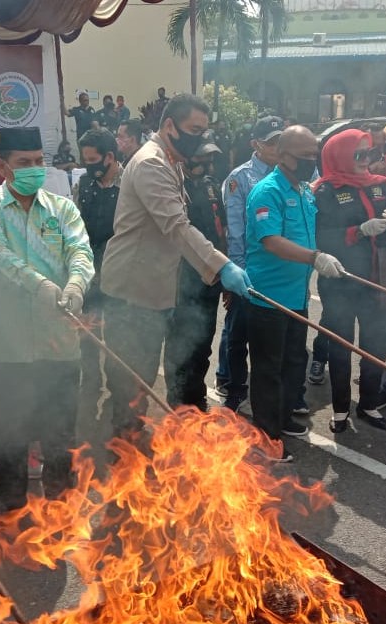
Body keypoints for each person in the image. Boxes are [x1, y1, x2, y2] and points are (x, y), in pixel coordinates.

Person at [100, 94, 251, 436]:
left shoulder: (170, 161)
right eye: (194, 129)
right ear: (169, 125)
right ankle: (125, 456)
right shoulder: (152, 163)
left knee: (145, 373)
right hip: (131, 288)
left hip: (153, 286)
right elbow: (176, 226)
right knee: (132, 381)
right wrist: (222, 266)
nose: (200, 138)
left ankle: (136, 442)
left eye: (204, 131)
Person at [0, 126, 94, 511]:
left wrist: (75, 285)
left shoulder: (62, 208)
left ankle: (59, 504)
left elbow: (81, 253)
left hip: (60, 342)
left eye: (39, 161)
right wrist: (40, 286)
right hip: (9, 345)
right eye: (25, 163)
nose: (35, 169)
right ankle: (13, 509)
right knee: (10, 434)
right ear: (4, 167)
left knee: (59, 433)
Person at [245, 126, 345, 453]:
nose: (310, 162)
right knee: (267, 369)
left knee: (293, 362)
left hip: (297, 296)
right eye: (304, 156)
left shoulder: (303, 190)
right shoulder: (266, 191)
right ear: (283, 155)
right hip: (268, 298)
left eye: (314, 156)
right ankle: (266, 438)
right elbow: (271, 241)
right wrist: (315, 257)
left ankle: (284, 418)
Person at [313, 129, 386, 433]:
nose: (367, 161)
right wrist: (358, 231)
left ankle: (369, 404)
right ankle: (340, 409)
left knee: (375, 345)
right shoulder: (324, 191)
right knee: (340, 346)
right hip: (339, 280)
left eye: (371, 153)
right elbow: (320, 238)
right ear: (339, 155)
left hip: (374, 279)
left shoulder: (380, 185)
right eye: (359, 154)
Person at [218, 116, 284, 411]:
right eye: (271, 142)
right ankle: (233, 386)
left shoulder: (287, 174)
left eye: (280, 141)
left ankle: (270, 392)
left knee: (270, 339)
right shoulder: (240, 178)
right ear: (255, 144)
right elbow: (235, 230)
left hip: (278, 272)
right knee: (237, 334)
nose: (276, 147)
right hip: (248, 271)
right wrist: (236, 274)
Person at [164, 137, 227, 410]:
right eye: (199, 158)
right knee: (180, 346)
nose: (205, 164)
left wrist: (225, 272)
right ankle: (178, 403)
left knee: (203, 343)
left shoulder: (212, 187)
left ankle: (197, 398)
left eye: (208, 159)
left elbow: (221, 231)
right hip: (181, 281)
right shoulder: (173, 187)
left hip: (209, 280)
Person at [74, 128, 122, 409]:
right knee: (87, 331)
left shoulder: (130, 182)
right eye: (85, 160)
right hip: (89, 271)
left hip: (120, 273)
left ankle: (117, 386)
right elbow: (74, 224)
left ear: (110, 157)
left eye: (93, 160)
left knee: (117, 334)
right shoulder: (83, 184)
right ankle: (91, 380)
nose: (88, 166)